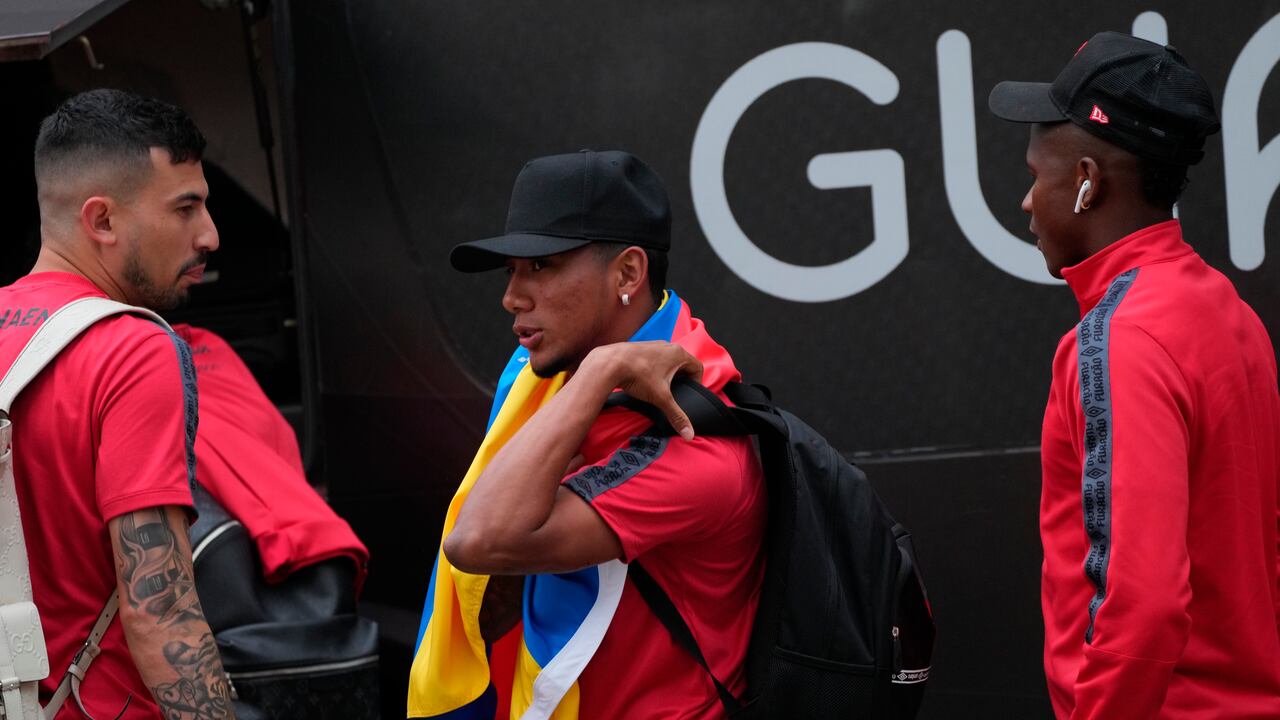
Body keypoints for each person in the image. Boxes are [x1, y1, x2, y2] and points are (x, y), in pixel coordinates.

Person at [407, 150, 766, 720]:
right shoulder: (549, 380)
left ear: (627, 274)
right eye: (510, 271)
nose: (512, 297)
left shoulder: (693, 440)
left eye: (541, 265)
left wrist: (603, 369)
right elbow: (491, 609)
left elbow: (475, 542)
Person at [989, 32, 1280, 718]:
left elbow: (1143, 606)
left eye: (1035, 176)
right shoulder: (1227, 311)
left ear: (1086, 181)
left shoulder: (1122, 338)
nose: (1027, 202)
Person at [0, 89, 233, 718]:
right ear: (101, 221)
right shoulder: (132, 350)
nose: (209, 235)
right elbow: (161, 609)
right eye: (185, 208)